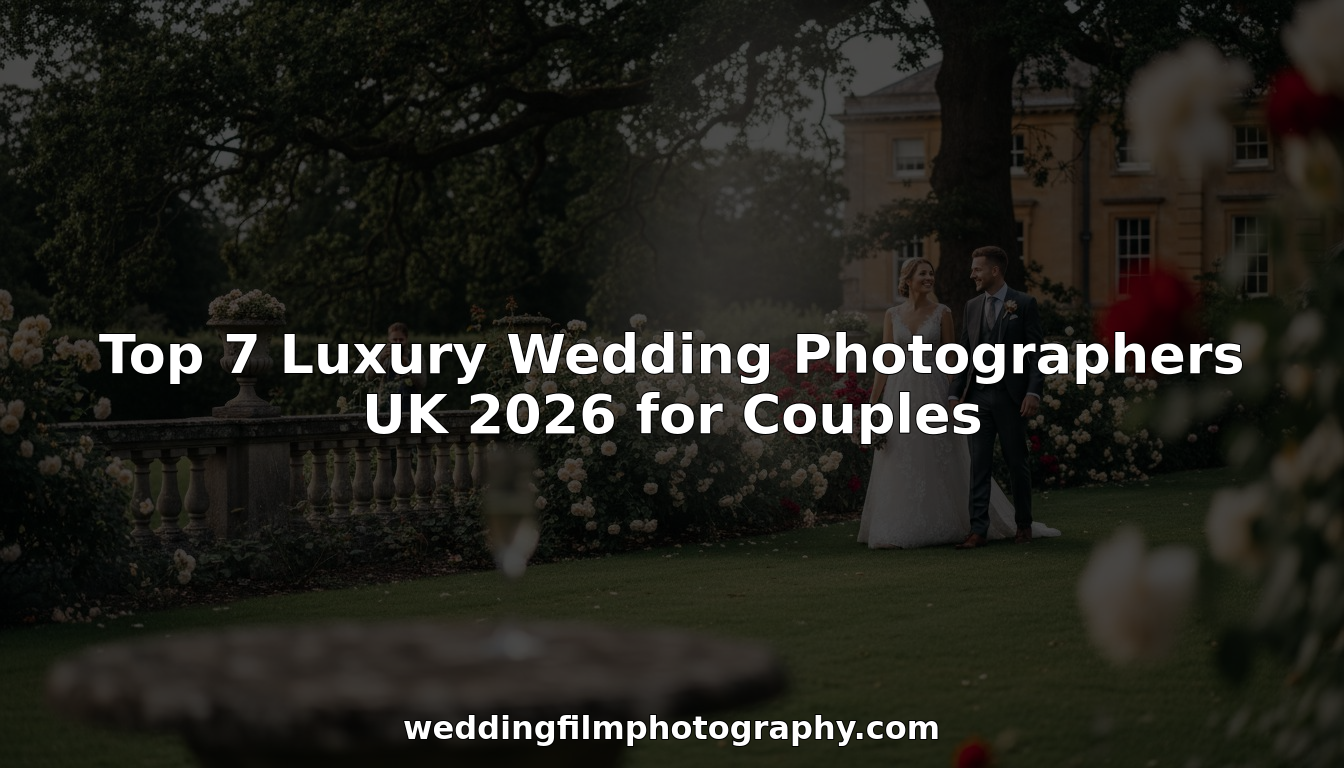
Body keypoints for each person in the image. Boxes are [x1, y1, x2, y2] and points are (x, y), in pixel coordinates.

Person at [857, 256, 1059, 549]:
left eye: (931, 273)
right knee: (901, 455)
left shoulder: (944, 313)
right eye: (923, 274)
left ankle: (1006, 525)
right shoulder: (892, 314)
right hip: (900, 393)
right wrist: (872, 403)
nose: (929, 278)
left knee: (950, 455)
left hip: (934, 390)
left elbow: (953, 357)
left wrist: (956, 394)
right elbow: (885, 361)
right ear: (908, 279)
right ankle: (904, 524)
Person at [947, 246, 1057, 549]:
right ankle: (978, 530)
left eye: (977, 269)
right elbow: (964, 354)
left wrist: (1033, 391)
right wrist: (955, 394)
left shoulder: (1024, 303)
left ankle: (1023, 525)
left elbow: (1037, 354)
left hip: (1011, 398)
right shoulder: (972, 307)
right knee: (978, 465)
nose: (972, 274)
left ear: (994, 271)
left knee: (1017, 463)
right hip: (978, 397)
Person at [368, 322, 428, 412]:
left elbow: (422, 383)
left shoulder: (416, 357)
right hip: (385, 407)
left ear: (406, 340)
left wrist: (408, 367)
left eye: (401, 340)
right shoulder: (383, 356)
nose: (398, 343)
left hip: (410, 408)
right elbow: (369, 377)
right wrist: (380, 359)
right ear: (389, 340)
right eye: (394, 340)